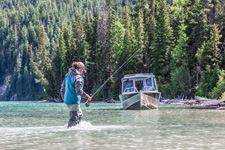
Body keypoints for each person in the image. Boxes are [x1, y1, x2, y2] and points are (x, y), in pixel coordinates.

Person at [60, 62, 92, 128]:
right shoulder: (78, 78)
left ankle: (77, 129)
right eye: (83, 70)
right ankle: (70, 132)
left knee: (80, 115)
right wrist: (87, 96)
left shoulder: (67, 75)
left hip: (67, 100)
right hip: (74, 101)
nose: (83, 72)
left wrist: (63, 97)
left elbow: (62, 88)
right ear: (80, 69)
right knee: (73, 118)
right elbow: (78, 90)